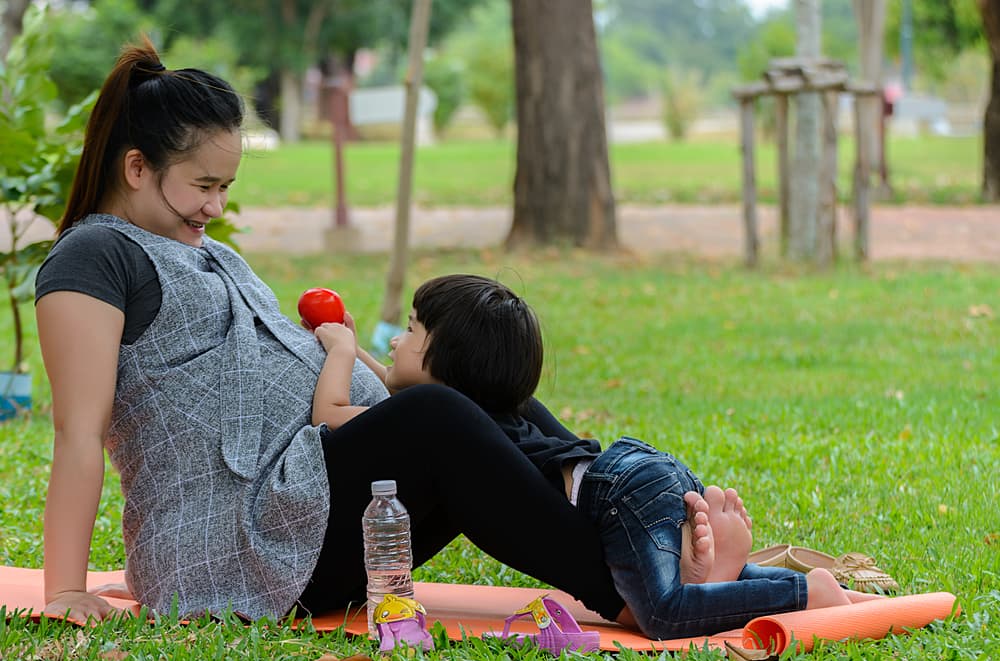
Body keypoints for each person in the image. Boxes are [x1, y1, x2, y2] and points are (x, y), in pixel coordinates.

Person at [34, 39, 632, 629]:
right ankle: (628, 590)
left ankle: (645, 523)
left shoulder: (201, 250)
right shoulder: (94, 257)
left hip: (310, 509)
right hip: (241, 541)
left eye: (226, 188)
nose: (216, 206)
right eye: (204, 185)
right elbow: (77, 431)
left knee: (488, 385)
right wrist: (63, 588)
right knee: (437, 414)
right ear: (136, 167)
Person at [311, 274, 881, 640]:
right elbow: (398, 390)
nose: (393, 343)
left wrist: (339, 351)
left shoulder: (444, 412)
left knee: (659, 614)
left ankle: (804, 592)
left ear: (442, 358)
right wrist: (352, 340)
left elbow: (331, 415)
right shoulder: (490, 408)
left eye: (409, 331)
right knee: (643, 586)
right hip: (622, 477)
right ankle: (747, 581)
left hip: (618, 494)